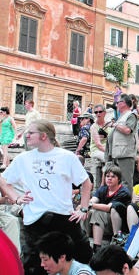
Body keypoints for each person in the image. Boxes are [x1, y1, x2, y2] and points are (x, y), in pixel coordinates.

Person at [0, 119, 93, 274]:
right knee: (34, 265)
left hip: (64, 218)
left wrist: (83, 208)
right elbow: (3, 180)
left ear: (43, 136)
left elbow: (86, 183)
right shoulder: (23, 159)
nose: (26, 136)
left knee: (83, 256)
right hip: (35, 220)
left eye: (31, 133)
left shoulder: (67, 157)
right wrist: (16, 198)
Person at [82, 165, 131, 253]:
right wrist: (86, 206)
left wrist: (89, 205)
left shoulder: (123, 192)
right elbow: (93, 200)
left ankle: (114, 239)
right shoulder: (103, 189)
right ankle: (90, 243)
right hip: (103, 223)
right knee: (88, 211)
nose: (109, 179)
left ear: (119, 179)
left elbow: (108, 207)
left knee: (97, 211)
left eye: (113, 176)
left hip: (119, 226)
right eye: (107, 176)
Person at [106, 94, 138, 192]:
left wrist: (115, 125)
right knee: (118, 182)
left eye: (118, 102)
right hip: (117, 153)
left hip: (125, 154)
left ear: (124, 103)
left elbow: (128, 130)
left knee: (126, 181)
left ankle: (127, 204)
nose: (116, 104)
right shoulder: (121, 117)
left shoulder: (131, 115)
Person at [89, 104, 113, 187]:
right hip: (96, 150)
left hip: (108, 149)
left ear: (104, 113)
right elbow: (98, 145)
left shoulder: (109, 125)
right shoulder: (94, 127)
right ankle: (102, 185)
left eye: (100, 112)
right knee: (108, 158)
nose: (98, 114)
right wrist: (110, 152)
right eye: (96, 112)